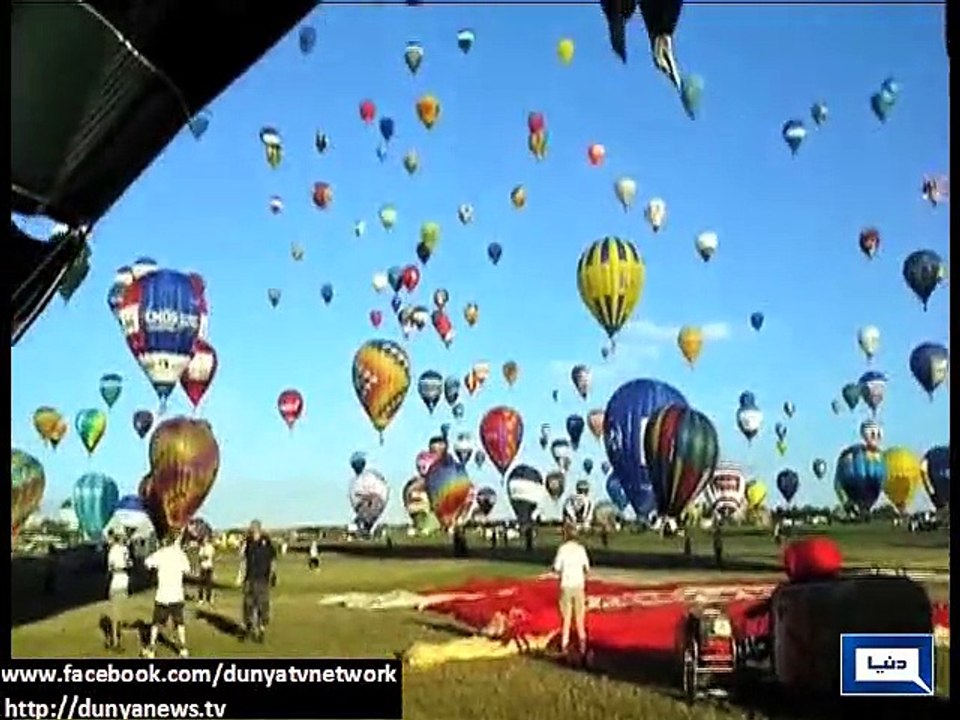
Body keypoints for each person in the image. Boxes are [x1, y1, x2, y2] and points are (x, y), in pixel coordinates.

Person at [142, 534, 192, 658]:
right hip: (177, 594)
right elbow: (188, 570)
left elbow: (147, 563)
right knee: (179, 622)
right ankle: (183, 649)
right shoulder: (180, 554)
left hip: (163, 595)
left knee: (156, 623)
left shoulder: (160, 553)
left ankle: (152, 650)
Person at [552, 523, 590, 661]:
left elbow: (556, 568)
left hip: (566, 585)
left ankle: (564, 645)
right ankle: (582, 647)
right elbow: (587, 568)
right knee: (580, 619)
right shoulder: (581, 549)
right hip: (579, 585)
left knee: (566, 619)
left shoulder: (562, 549)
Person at [237, 520, 276, 643]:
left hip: (262, 579)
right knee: (248, 606)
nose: (252, 530)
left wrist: (273, 574)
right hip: (250, 579)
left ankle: (261, 630)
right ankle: (247, 628)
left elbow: (273, 559)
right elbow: (241, 558)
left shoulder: (266, 542)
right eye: (251, 528)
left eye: (254, 528)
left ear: (259, 528)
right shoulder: (247, 542)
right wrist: (240, 576)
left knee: (262, 607)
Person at [105, 532, 131, 650]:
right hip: (122, 582)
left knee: (117, 614)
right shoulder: (122, 550)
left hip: (118, 582)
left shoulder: (116, 550)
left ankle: (115, 640)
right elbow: (127, 564)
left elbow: (110, 568)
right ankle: (116, 640)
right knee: (118, 614)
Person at [197, 535, 216, 605]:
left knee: (209, 585)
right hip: (203, 567)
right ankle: (201, 599)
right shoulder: (202, 547)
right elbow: (200, 557)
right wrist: (202, 556)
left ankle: (208, 599)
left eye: (205, 539)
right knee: (201, 584)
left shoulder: (210, 547)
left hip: (209, 567)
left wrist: (203, 556)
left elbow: (207, 556)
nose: (204, 540)